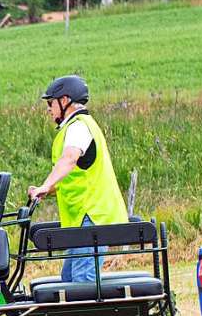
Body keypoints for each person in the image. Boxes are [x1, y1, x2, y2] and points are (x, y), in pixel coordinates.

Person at [27, 75, 128, 282]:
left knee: (83, 280)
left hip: (92, 215)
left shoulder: (78, 127)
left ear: (65, 101)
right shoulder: (76, 127)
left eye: (50, 103)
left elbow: (70, 159)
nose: (49, 109)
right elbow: (77, 175)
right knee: (69, 278)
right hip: (83, 218)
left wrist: (46, 184)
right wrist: (47, 190)